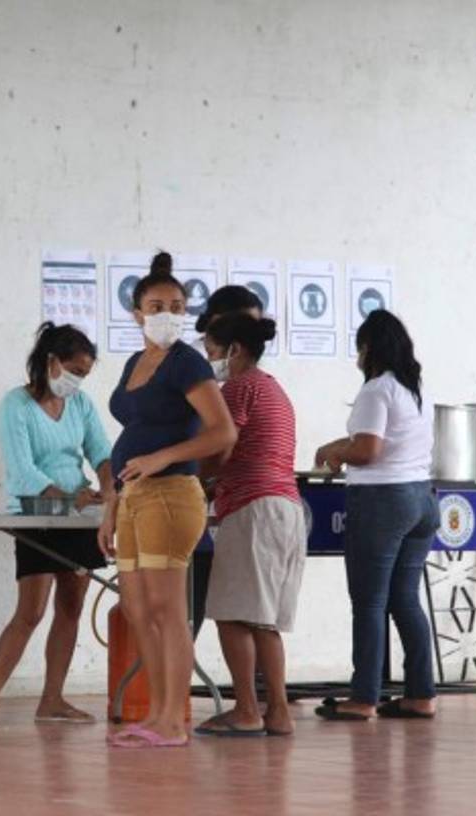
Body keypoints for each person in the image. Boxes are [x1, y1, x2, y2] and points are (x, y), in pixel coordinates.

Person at [99, 251, 237, 748]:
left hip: (170, 494)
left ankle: (173, 719)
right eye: (156, 306)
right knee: (137, 609)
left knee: (166, 609)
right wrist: (111, 504)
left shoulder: (187, 361)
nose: (167, 315)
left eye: (176, 306)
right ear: (136, 313)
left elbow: (222, 432)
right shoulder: (138, 361)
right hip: (134, 497)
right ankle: (157, 714)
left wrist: (162, 458)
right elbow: (134, 430)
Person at [0, 323, 113, 728]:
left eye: (84, 374)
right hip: (34, 514)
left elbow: (101, 452)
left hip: (80, 518)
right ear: (51, 362)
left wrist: (108, 490)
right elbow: (21, 470)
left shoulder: (81, 405)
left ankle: (52, 699)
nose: (77, 380)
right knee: (29, 611)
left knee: (71, 607)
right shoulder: (15, 404)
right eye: (74, 370)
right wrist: (68, 497)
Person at [313, 310, 438, 722]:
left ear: (368, 348)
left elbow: (368, 451)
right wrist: (338, 445)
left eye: (358, 348)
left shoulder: (375, 390)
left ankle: (363, 697)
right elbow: (375, 440)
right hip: (421, 500)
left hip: (382, 501)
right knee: (405, 600)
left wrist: (335, 453)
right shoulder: (411, 389)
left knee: (368, 603)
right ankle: (421, 694)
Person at [195, 313, 305, 738]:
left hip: (252, 509)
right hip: (285, 509)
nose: (211, 362)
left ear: (234, 350)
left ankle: (245, 709)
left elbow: (221, 445)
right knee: (264, 620)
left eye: (211, 352)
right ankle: (277, 712)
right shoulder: (274, 388)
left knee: (231, 614)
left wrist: (193, 474)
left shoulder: (238, 387)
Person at [189, 284, 265, 636]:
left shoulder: (243, 378)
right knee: (189, 604)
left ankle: (255, 689)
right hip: (189, 489)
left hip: (222, 497)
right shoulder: (191, 363)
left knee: (239, 607)